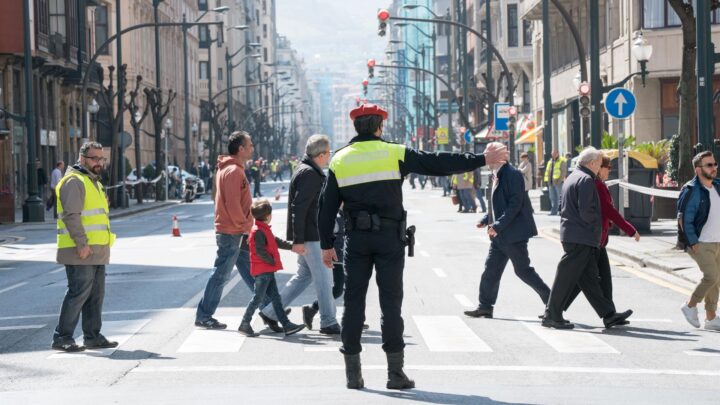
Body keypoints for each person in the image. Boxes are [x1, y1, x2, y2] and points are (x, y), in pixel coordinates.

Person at [318, 103, 507, 390]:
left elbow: (326, 207)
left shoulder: (340, 159)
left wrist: (326, 244)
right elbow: (437, 162)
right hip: (389, 238)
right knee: (390, 304)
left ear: (357, 127)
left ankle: (353, 375)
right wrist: (481, 158)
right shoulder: (394, 153)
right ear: (380, 127)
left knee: (353, 303)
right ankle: (395, 374)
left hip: (356, 239)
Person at [542, 147, 633, 330]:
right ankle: (552, 314)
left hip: (573, 234)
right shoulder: (586, 180)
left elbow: (561, 206)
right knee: (567, 277)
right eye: (599, 164)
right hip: (581, 236)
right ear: (592, 163)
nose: (600, 168)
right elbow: (587, 212)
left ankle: (607, 314)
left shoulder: (573, 177)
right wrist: (599, 226)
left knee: (588, 279)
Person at [258, 135, 340, 334]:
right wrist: (298, 240)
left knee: (303, 277)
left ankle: (270, 313)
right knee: (324, 279)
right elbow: (299, 208)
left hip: (311, 234)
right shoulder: (310, 174)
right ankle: (328, 321)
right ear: (320, 155)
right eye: (328, 153)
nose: (329, 156)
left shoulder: (306, 170)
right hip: (312, 236)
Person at [464, 143, 550, 319]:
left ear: (500, 157)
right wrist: (486, 220)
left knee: (523, 271)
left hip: (513, 234)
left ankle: (552, 303)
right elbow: (497, 205)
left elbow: (515, 204)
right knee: (491, 271)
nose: (486, 158)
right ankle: (485, 306)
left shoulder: (513, 174)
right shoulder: (496, 174)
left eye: (489, 155)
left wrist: (497, 225)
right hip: (500, 235)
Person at [52, 142, 117, 352]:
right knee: (78, 293)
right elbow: (72, 216)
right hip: (79, 250)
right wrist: (82, 244)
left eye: (101, 159)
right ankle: (62, 337)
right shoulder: (74, 181)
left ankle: (92, 336)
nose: (98, 163)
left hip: (97, 251)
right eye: (94, 159)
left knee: (96, 295)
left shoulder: (93, 181)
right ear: (82, 158)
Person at [562, 154, 639, 314]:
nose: (609, 171)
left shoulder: (596, 183)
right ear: (598, 167)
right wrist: (630, 229)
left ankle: (555, 308)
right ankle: (609, 314)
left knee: (587, 279)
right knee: (592, 280)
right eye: (607, 167)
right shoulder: (595, 184)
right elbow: (608, 210)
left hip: (596, 239)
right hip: (592, 239)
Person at [195, 131, 257, 330]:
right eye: (250, 145)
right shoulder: (233, 171)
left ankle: (270, 308)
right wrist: (246, 225)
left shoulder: (233, 168)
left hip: (236, 230)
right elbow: (232, 204)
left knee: (251, 271)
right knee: (221, 274)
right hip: (233, 231)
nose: (252, 148)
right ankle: (204, 315)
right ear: (240, 149)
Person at [238, 199, 306, 337]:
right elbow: (260, 251)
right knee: (257, 298)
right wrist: (272, 261)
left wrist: (292, 247)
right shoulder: (258, 231)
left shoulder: (263, 229)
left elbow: (276, 241)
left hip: (267, 270)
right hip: (263, 271)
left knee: (275, 298)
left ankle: (286, 325)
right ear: (268, 216)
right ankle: (245, 323)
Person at [679, 151, 720, 331]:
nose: (714, 168)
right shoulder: (691, 190)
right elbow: (684, 218)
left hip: (718, 241)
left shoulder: (717, 186)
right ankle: (689, 305)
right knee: (711, 276)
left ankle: (711, 318)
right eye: (709, 165)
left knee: (716, 279)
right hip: (701, 242)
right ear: (698, 169)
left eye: (714, 164)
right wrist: (692, 241)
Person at [544, 150, 566, 216]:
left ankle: (561, 211)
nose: (552, 155)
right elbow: (548, 171)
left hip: (558, 182)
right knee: (552, 198)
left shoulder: (562, 160)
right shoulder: (550, 161)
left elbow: (563, 172)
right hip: (551, 182)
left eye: (554, 153)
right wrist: (547, 181)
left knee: (560, 197)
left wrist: (559, 181)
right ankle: (553, 211)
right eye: (552, 153)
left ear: (557, 153)